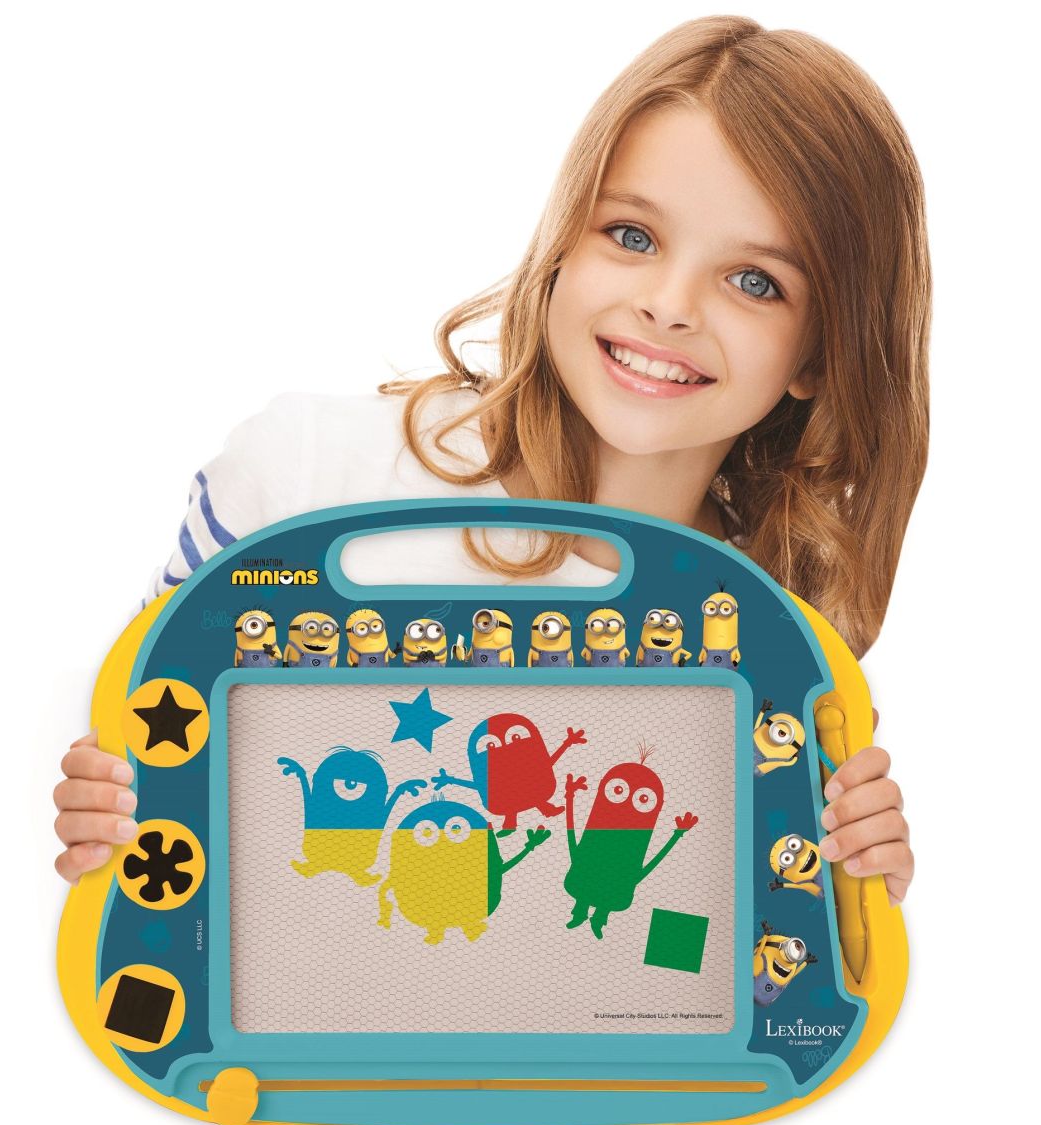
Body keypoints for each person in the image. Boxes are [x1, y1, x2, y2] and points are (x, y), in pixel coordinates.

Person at [53, 15, 921, 904]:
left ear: (822, 354)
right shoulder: (306, 474)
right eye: (632, 235)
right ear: (563, 240)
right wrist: (101, 803)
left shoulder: (777, 640)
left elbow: (699, 941)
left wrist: (853, 897)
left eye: (754, 282)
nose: (670, 305)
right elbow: (138, 747)